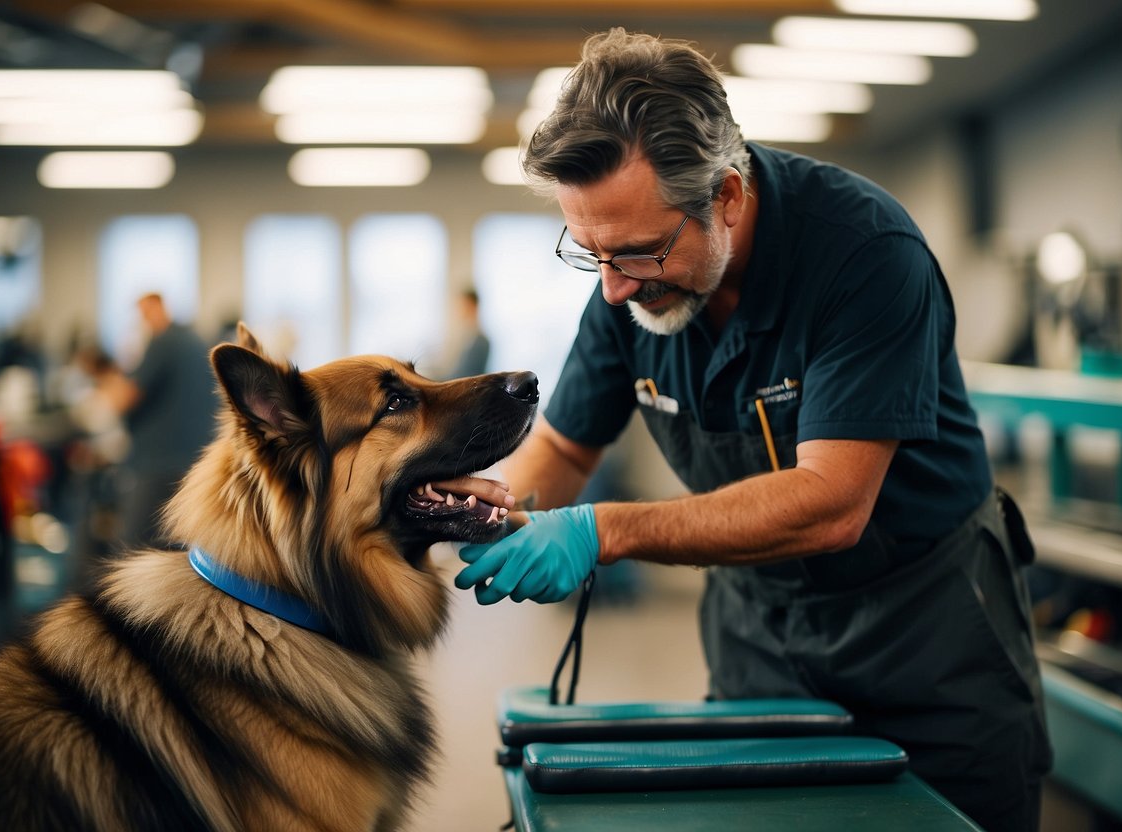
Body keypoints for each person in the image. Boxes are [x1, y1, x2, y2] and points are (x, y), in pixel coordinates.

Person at [449, 28, 1051, 832]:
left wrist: (600, 531)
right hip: (757, 637)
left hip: (924, 636)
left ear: (725, 196)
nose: (615, 288)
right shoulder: (626, 281)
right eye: (586, 252)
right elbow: (562, 446)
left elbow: (831, 503)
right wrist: (481, 511)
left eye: (636, 253)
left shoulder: (864, 254)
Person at [104, 293, 218, 550]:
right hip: (192, 458)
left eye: (143, 313)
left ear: (157, 307)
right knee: (175, 545)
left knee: (129, 548)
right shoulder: (196, 340)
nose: (141, 321)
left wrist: (114, 373)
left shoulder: (163, 343)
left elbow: (123, 399)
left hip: (158, 462)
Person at [446, 287, 491, 378]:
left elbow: (465, 374)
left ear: (472, 306)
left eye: (463, 305)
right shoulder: (469, 336)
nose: (460, 310)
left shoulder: (481, 341)